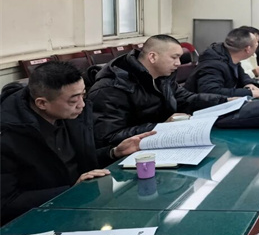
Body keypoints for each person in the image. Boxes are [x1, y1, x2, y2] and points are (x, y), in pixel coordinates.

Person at [1, 62, 154, 225]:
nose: (82, 104)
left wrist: (114, 152)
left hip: (80, 207)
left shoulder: (70, 114)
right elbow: (6, 203)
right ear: (42, 103)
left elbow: (78, 160)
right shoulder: (8, 134)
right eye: (73, 100)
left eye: (83, 95)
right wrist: (70, 190)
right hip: (36, 221)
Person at [89, 35, 227, 147]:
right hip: (129, 156)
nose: (178, 63)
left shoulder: (163, 77)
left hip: (160, 141)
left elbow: (186, 99)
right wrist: (161, 127)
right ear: (153, 57)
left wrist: (224, 101)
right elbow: (107, 137)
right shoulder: (111, 88)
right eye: (174, 57)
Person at [184, 27, 259, 99]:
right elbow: (210, 91)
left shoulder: (231, 56)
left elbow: (242, 75)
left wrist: (249, 84)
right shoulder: (213, 65)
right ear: (247, 49)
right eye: (256, 43)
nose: (258, 45)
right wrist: (250, 93)